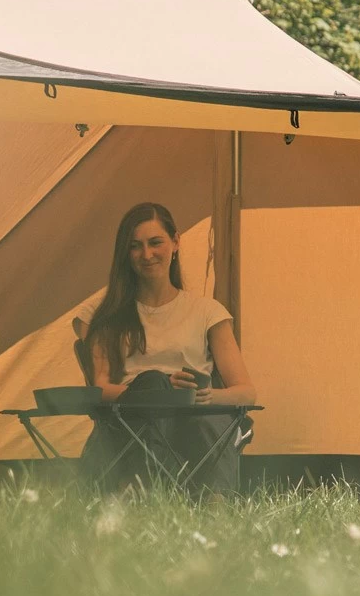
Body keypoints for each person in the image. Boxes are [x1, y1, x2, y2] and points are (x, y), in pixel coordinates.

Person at [75, 202, 256, 492]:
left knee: (212, 421)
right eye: (135, 246)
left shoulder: (207, 312)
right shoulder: (105, 313)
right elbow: (99, 387)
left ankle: (214, 508)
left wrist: (205, 396)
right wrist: (161, 392)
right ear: (126, 254)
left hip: (196, 422)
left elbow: (246, 392)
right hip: (131, 423)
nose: (146, 255)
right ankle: (151, 490)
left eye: (155, 242)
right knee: (153, 380)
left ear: (175, 242)